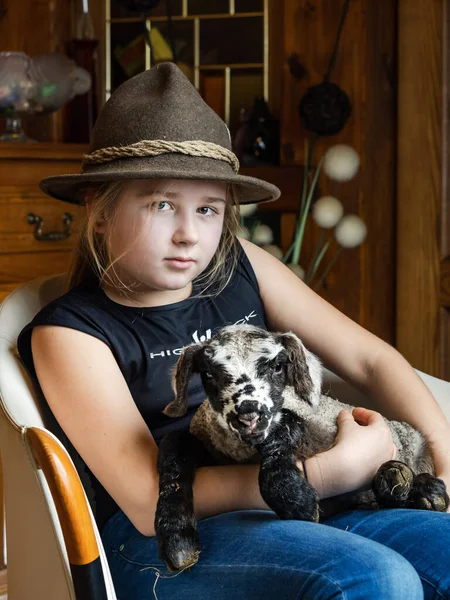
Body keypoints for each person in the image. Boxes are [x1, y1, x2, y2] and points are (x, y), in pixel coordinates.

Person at [17, 62, 450, 600]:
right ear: (99, 211)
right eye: (161, 204)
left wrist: (443, 457)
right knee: (377, 578)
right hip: (169, 534)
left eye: (208, 209)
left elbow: (371, 361)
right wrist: (328, 472)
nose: (188, 234)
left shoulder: (242, 267)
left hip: (308, 495)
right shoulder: (71, 332)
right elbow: (142, 496)